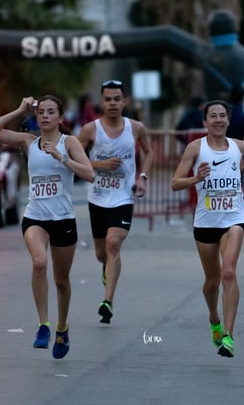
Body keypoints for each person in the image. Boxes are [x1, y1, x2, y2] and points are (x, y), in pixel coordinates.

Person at [0, 95, 95, 359]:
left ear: (60, 117)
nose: (44, 116)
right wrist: (19, 109)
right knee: (39, 263)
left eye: (50, 111)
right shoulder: (28, 141)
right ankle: (43, 325)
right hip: (35, 217)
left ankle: (62, 328)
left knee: (62, 281)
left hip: (63, 219)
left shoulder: (71, 143)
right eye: (41, 111)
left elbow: (89, 174)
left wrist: (62, 158)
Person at [171, 100, 244, 358]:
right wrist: (196, 178)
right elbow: (175, 183)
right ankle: (214, 317)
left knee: (229, 273)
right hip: (205, 222)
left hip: (234, 217)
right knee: (212, 281)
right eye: (213, 116)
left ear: (228, 120)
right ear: (205, 122)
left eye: (223, 116)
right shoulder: (195, 148)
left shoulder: (240, 147)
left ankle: (229, 337)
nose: (218, 120)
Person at [78, 80, 153, 325]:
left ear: (125, 101)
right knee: (102, 253)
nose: (112, 103)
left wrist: (142, 178)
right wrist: (99, 165)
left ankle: (107, 302)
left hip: (123, 197)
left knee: (113, 244)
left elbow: (149, 152)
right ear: (101, 102)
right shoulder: (90, 130)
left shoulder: (136, 128)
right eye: (108, 99)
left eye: (117, 99)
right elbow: (74, 159)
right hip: (97, 197)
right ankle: (106, 268)